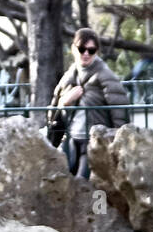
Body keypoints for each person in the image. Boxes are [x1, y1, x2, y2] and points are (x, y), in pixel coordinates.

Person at [51, 28, 130, 178]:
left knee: (88, 184)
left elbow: (120, 111)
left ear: (97, 52)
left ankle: (95, 203)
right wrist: (65, 101)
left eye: (91, 50)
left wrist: (117, 145)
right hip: (71, 139)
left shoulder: (105, 75)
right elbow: (53, 113)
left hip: (96, 141)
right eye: (82, 49)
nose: (86, 53)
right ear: (74, 49)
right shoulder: (69, 76)